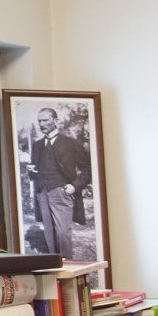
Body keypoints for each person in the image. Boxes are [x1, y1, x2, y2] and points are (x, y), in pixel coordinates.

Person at [33, 107, 92, 256]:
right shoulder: (37, 145)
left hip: (61, 191)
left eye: (45, 120)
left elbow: (88, 169)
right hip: (42, 192)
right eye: (39, 121)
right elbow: (36, 170)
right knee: (48, 231)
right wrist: (32, 171)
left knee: (63, 232)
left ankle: (67, 262)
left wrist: (74, 186)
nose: (41, 124)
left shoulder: (71, 144)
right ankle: (54, 262)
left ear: (55, 121)